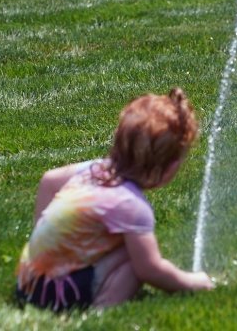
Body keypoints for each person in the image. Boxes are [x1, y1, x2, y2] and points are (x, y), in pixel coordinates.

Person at [15, 87, 214, 311]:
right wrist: (194, 282)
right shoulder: (131, 205)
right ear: (170, 167)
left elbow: (48, 180)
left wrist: (47, 242)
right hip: (52, 295)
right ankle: (102, 311)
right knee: (134, 260)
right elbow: (150, 270)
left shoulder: (92, 170)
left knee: (122, 244)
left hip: (27, 281)